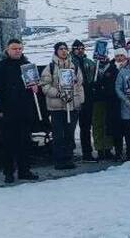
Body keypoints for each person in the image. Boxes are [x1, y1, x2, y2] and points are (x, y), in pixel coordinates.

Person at [0, 39, 40, 183]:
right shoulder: (0, 67)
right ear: (8, 50)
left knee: (25, 142)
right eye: (14, 48)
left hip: (24, 110)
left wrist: (36, 88)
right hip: (7, 111)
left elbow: (35, 87)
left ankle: (25, 170)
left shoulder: (28, 66)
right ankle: (9, 172)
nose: (17, 51)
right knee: (8, 144)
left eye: (19, 48)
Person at [39, 42, 85, 170]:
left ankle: (69, 158)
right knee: (58, 135)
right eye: (61, 49)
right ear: (56, 51)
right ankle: (59, 160)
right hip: (57, 107)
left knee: (70, 134)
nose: (64, 51)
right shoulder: (51, 67)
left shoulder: (74, 66)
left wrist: (79, 101)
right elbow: (45, 86)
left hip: (71, 106)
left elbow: (80, 85)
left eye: (65, 49)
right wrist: (59, 94)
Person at [90, 45, 123, 161]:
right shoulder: (93, 66)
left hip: (109, 100)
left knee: (108, 124)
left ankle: (108, 148)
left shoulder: (112, 67)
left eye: (104, 54)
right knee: (97, 124)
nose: (102, 56)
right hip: (96, 100)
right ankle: (99, 148)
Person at [69, 40, 97, 162]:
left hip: (88, 95)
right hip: (74, 95)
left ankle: (87, 153)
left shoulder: (88, 62)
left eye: (82, 48)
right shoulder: (69, 62)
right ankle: (69, 152)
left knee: (85, 126)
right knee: (70, 126)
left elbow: (96, 72)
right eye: (77, 48)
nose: (80, 50)